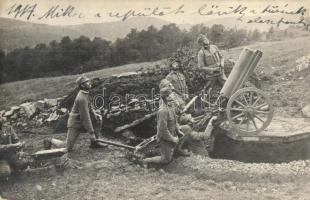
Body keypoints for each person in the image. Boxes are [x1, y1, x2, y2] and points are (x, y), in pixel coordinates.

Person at [47, 75, 106, 152]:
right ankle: (50, 140)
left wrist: (96, 115)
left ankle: (94, 143)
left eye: (88, 81)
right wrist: (91, 133)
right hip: (75, 124)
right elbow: (85, 117)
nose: (90, 83)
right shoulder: (81, 98)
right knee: (67, 148)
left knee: (98, 119)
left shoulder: (86, 93)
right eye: (87, 82)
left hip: (81, 121)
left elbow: (90, 107)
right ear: (82, 85)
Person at [143, 80, 179, 165]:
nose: (174, 98)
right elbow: (162, 130)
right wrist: (173, 139)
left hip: (171, 133)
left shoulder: (170, 106)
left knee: (186, 129)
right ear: (166, 97)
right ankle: (145, 161)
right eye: (171, 96)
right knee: (166, 160)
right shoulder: (163, 111)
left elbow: (175, 120)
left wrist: (178, 129)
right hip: (164, 138)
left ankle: (175, 150)